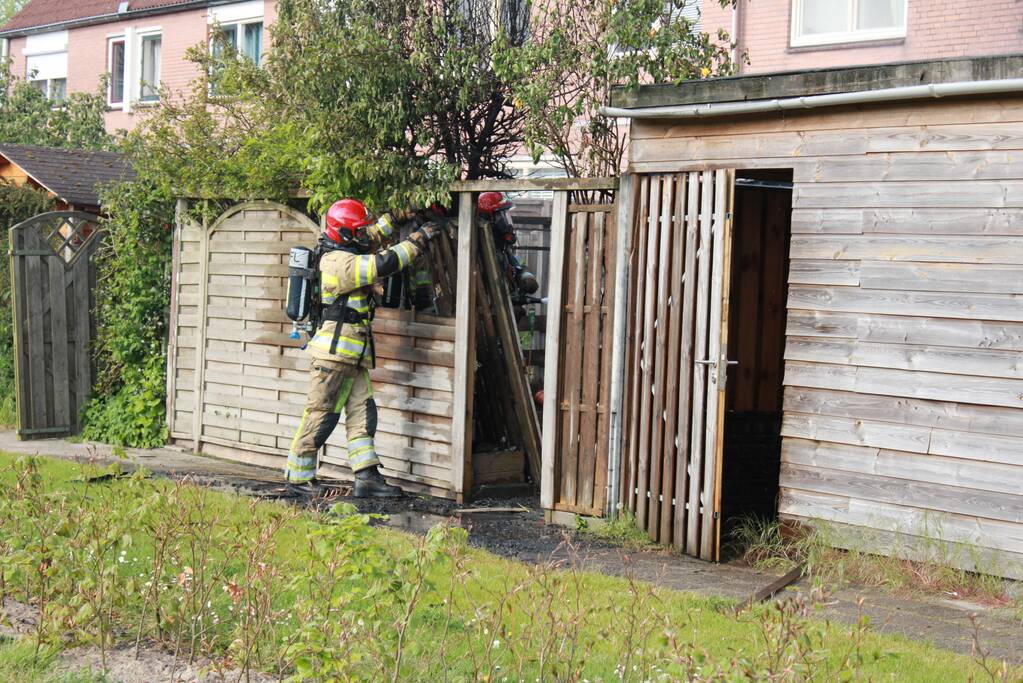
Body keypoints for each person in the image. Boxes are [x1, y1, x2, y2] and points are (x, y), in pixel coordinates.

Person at [284, 198, 437, 497]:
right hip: (333, 356)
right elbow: (383, 263)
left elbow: (372, 236)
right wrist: (418, 240)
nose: (364, 236)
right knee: (321, 415)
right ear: (342, 233)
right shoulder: (337, 262)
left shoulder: (347, 247)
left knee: (363, 414)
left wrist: (395, 216)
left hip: (352, 356)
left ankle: (366, 476)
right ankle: (299, 479)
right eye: (358, 231)